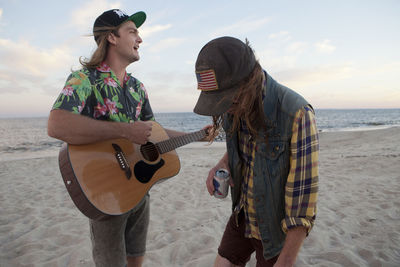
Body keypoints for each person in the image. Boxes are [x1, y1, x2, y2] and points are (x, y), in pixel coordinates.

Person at [47, 9, 188, 267]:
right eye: (133, 31)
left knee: (136, 257)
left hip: (139, 188)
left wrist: (196, 136)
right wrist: (124, 130)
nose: (140, 39)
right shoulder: (84, 79)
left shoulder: (137, 87)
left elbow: (153, 134)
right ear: (112, 37)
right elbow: (56, 125)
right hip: (105, 192)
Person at [193, 37, 319, 267]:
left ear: (247, 83)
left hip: (274, 226)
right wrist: (223, 163)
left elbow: (302, 209)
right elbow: (240, 149)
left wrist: (285, 262)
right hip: (243, 212)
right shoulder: (234, 105)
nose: (225, 109)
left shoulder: (297, 113)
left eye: (227, 101)